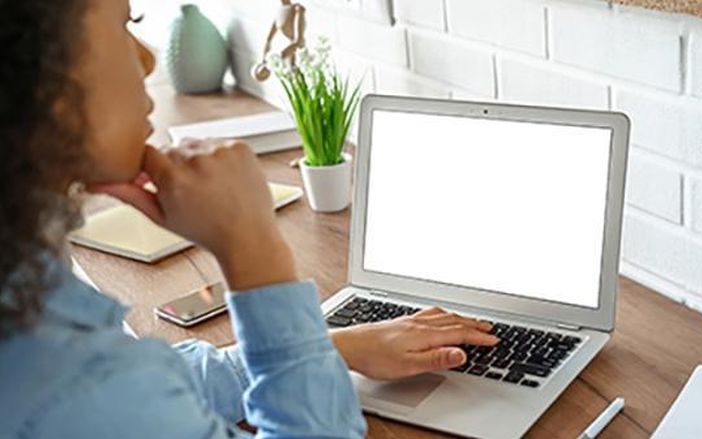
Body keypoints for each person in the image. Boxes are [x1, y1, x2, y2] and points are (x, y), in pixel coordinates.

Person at [0, 1, 499, 438]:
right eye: (122, 24)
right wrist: (252, 249)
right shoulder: (64, 384)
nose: (148, 58)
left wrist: (331, 346)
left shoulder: (32, 306)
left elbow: (146, 387)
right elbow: (107, 394)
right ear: (31, 72)